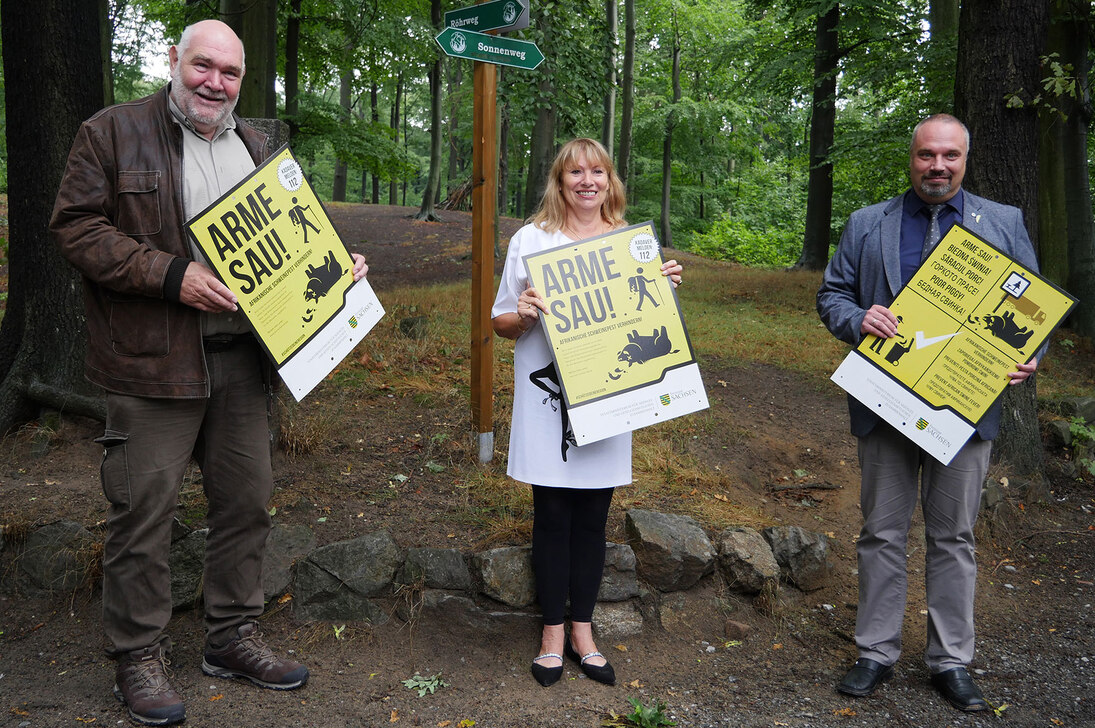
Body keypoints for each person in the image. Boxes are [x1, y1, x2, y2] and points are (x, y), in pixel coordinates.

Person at [49, 20, 367, 727]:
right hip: (151, 366)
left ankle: (231, 638)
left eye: (228, 72)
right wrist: (170, 275)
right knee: (144, 512)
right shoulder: (111, 132)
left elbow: (293, 237)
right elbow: (75, 227)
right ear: (174, 61)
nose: (213, 82)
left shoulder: (258, 145)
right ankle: (136, 655)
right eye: (203, 66)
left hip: (243, 361)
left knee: (246, 504)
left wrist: (337, 270)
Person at [817, 114, 1040, 713]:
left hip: (966, 408)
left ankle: (951, 662)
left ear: (966, 159)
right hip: (884, 400)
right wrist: (856, 317)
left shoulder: (1003, 222)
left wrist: (1030, 356)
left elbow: (1034, 306)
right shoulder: (868, 223)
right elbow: (831, 294)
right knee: (881, 533)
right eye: (925, 155)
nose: (936, 166)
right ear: (911, 157)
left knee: (954, 537)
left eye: (949, 156)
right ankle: (875, 652)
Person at [491, 138, 682, 688]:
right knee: (551, 515)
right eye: (575, 172)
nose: (587, 181)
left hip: (607, 396)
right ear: (559, 180)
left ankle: (582, 631)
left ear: (610, 181)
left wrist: (662, 290)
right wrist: (523, 313)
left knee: (593, 520)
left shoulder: (629, 244)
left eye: (597, 171)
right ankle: (552, 633)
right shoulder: (531, 239)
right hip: (546, 398)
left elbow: (651, 329)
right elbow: (500, 321)